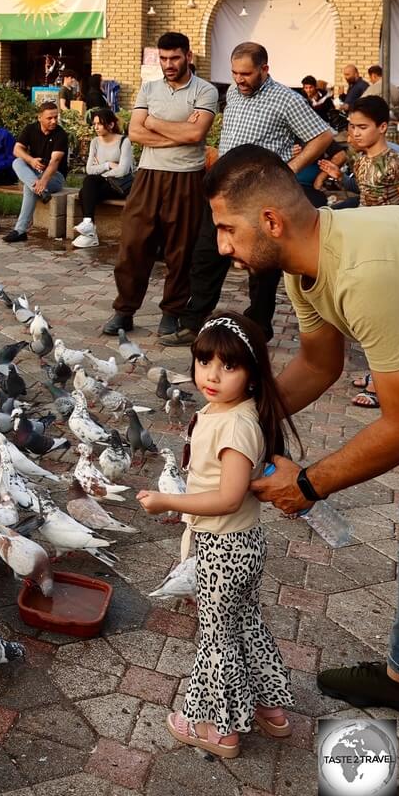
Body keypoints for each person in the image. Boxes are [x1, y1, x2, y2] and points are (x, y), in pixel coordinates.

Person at [200, 146, 399, 796]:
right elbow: (319, 363)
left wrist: (310, 484)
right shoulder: (306, 265)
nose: (222, 246)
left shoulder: (366, 273)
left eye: (228, 230)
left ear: (270, 220)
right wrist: (238, 427)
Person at [137, 311, 295, 760]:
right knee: (245, 624)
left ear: (251, 374)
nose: (212, 374)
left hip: (224, 549)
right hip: (242, 545)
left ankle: (216, 728)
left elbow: (227, 497)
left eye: (229, 366)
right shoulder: (232, 411)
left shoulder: (236, 426)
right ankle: (270, 708)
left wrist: (169, 502)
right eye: (204, 361)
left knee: (216, 636)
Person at [178, 41, 336, 344]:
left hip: (258, 196)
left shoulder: (285, 99)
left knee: (261, 265)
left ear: (265, 69)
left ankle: (259, 326)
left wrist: (289, 169)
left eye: (246, 74)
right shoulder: (235, 93)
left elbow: (322, 135)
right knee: (206, 255)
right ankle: (194, 320)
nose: (239, 79)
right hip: (224, 192)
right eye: (235, 73)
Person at [103, 32, 219, 339]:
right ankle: (124, 310)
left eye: (175, 58)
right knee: (132, 245)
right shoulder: (150, 87)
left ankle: (172, 312)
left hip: (187, 177)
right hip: (149, 175)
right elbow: (136, 133)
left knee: (180, 250)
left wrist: (154, 122)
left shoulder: (205, 91)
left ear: (188, 57)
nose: (168, 64)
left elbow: (196, 136)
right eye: (163, 59)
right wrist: (177, 131)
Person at [319, 95, 399, 207]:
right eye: (353, 127)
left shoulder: (395, 162)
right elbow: (365, 191)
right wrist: (340, 176)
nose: (356, 133)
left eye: (362, 127)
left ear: (382, 127)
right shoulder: (361, 160)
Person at [6, 101, 69, 244]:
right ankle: (40, 191)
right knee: (17, 162)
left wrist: (43, 182)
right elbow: (17, 150)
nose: (54, 121)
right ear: (39, 117)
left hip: (55, 176)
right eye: (49, 118)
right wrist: (31, 161)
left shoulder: (61, 134)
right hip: (34, 172)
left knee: (30, 188)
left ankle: (20, 230)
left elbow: (55, 162)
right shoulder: (30, 129)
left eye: (56, 117)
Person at [72, 109, 135, 247]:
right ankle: (88, 225)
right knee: (88, 184)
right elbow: (89, 170)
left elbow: (123, 170)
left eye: (100, 124)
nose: (96, 127)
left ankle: (90, 232)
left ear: (111, 125)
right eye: (94, 124)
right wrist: (108, 165)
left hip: (120, 186)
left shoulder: (124, 141)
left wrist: (100, 169)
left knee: (85, 191)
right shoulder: (95, 142)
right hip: (104, 184)